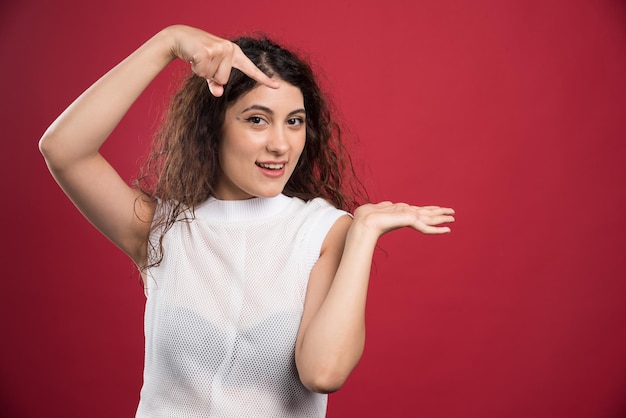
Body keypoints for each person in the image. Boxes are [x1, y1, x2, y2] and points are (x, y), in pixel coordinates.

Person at [39, 24, 455, 417]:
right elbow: (63, 150)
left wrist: (363, 231)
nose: (280, 144)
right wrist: (167, 43)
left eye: (294, 121)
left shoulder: (324, 232)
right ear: (213, 127)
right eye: (257, 119)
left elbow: (323, 373)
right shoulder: (162, 228)